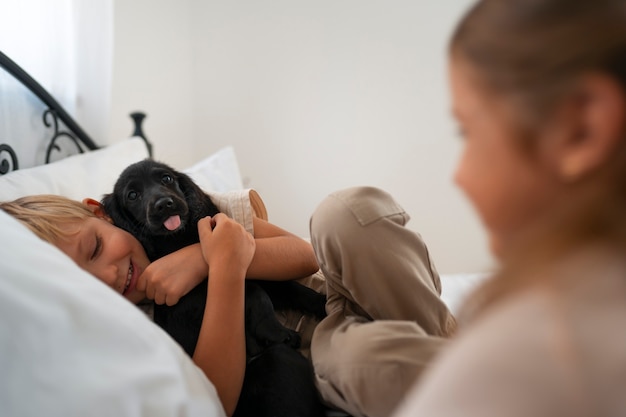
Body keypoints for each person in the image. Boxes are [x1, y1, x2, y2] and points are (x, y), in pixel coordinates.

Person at [390, 0, 626, 415]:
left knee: (348, 214)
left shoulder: (536, 350)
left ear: (581, 129)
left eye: (467, 131)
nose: (457, 176)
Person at [0, 193, 319, 417]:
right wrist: (224, 267)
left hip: (328, 298)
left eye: (96, 247)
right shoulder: (126, 332)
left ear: (100, 212)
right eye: (84, 284)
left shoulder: (176, 205)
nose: (109, 276)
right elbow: (212, 398)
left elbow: (305, 255)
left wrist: (200, 258)